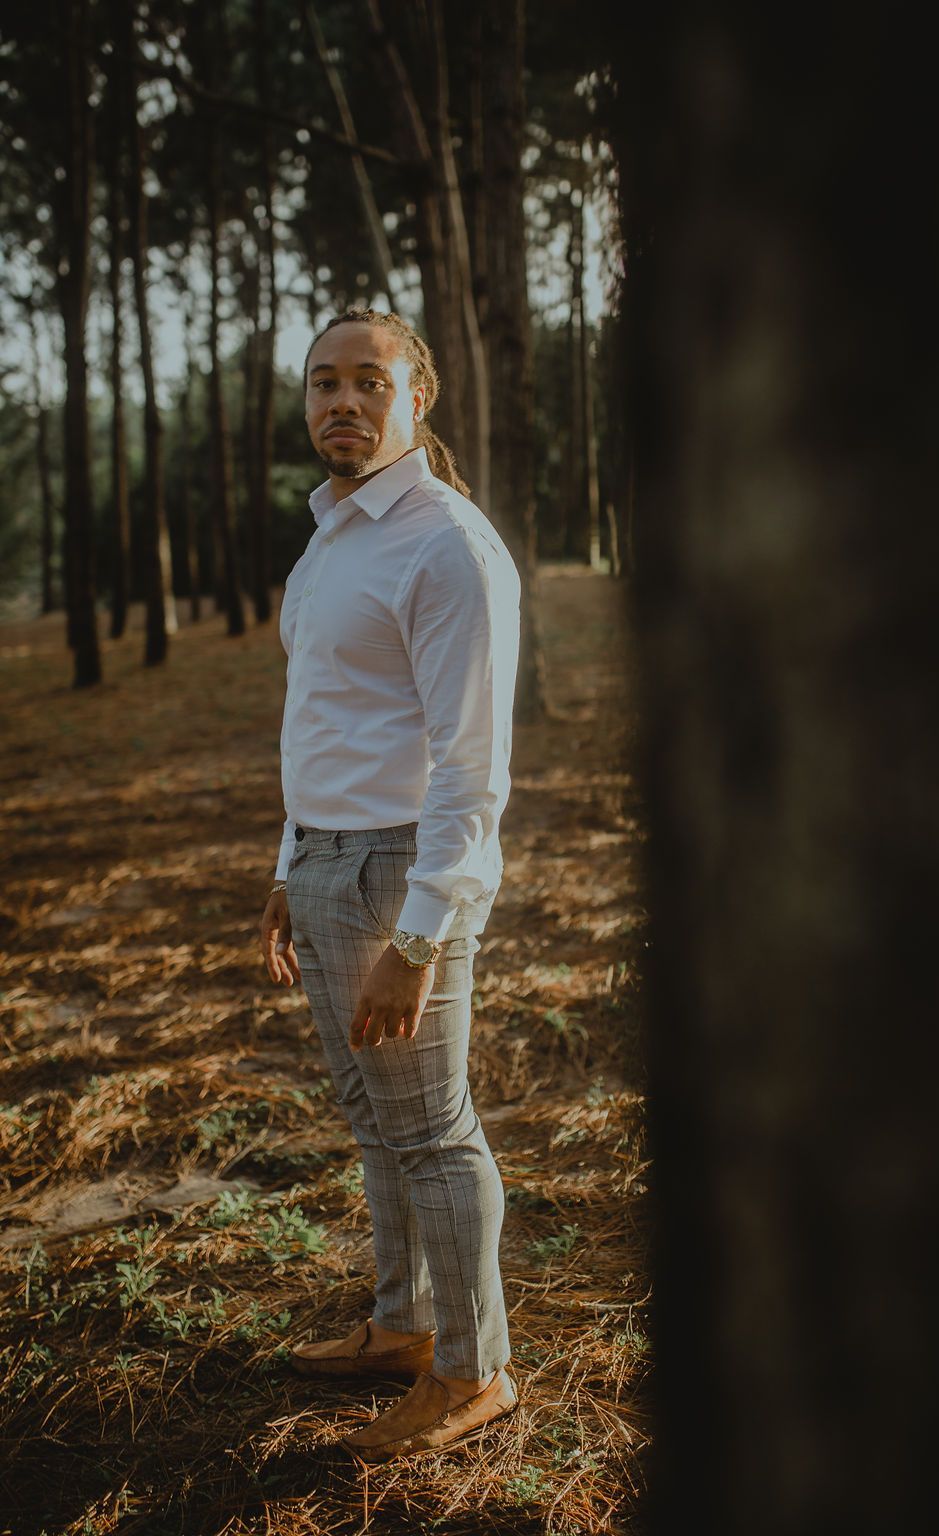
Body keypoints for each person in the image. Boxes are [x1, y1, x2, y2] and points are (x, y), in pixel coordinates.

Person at [259, 309, 521, 1462]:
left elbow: (472, 770)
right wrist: (284, 867)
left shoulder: (443, 544)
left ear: (420, 397)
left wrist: (417, 940)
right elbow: (322, 719)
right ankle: (401, 1325)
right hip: (324, 857)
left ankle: (473, 1373)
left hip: (399, 869)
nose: (343, 402)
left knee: (433, 1132)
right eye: (325, 382)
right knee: (375, 1122)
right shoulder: (329, 536)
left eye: (371, 381)